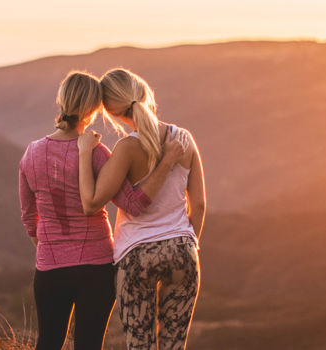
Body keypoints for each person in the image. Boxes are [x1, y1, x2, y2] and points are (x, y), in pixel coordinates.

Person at [18, 71, 185, 350]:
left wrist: (50, 248)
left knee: (47, 342)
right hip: (96, 268)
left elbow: (28, 217)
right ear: (95, 109)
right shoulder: (97, 153)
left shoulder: (31, 154)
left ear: (61, 101)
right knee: (89, 345)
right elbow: (133, 203)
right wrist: (166, 164)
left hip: (50, 268)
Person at [76, 68, 206, 350]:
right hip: (182, 249)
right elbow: (199, 204)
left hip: (136, 256)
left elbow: (94, 201)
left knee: (140, 345)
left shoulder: (125, 148)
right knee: (174, 345)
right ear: (144, 92)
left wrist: (84, 152)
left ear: (111, 112)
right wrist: (186, 243)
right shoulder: (184, 139)